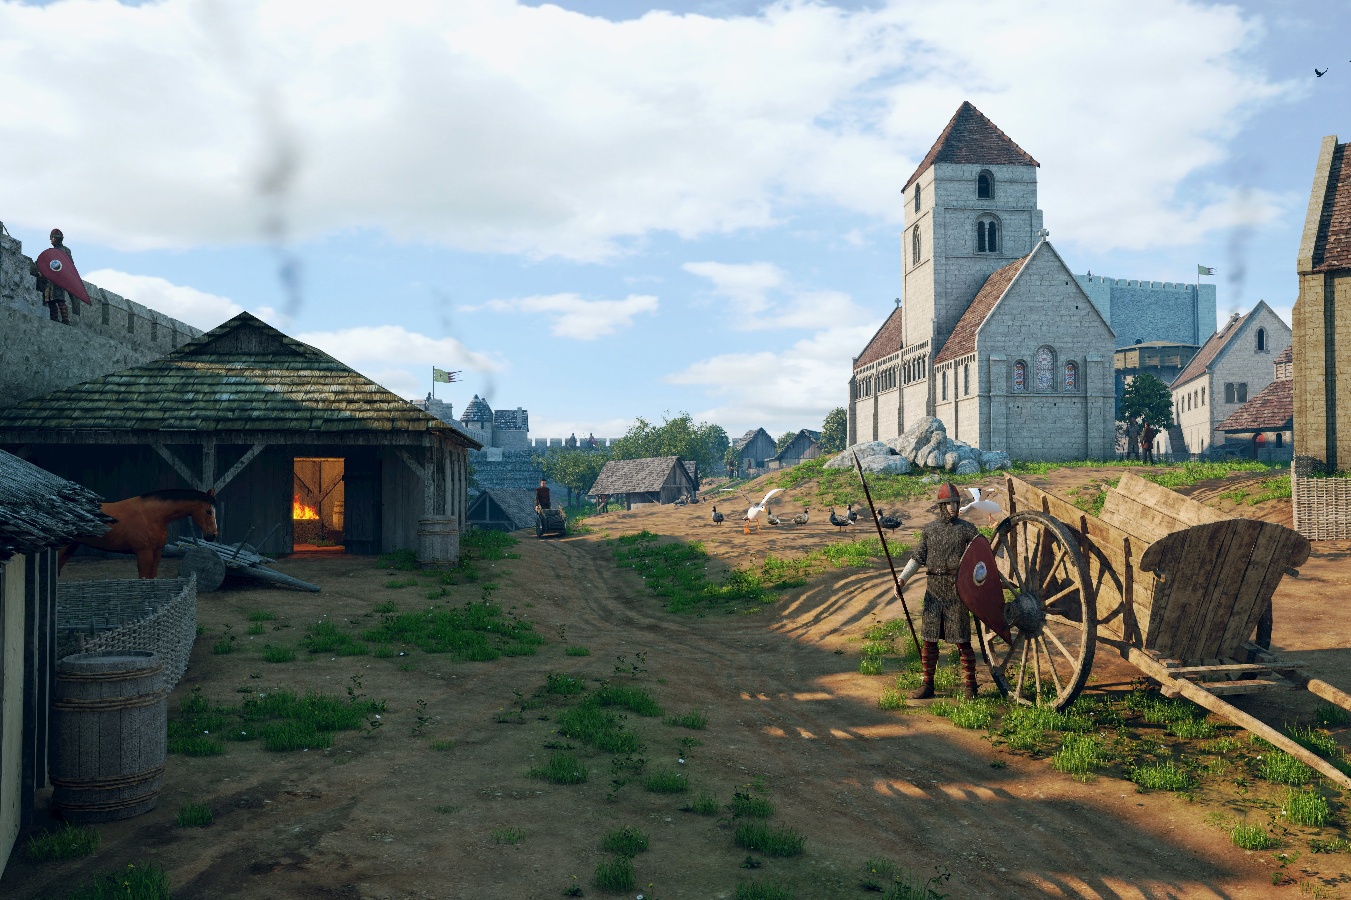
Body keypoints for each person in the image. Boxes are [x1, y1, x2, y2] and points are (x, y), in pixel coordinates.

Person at [895, 483, 981, 700]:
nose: (952, 507)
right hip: (934, 590)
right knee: (929, 640)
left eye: (955, 503)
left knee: (963, 640)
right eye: (948, 504)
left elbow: (981, 559)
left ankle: (971, 686)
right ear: (941, 506)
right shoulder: (930, 530)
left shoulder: (967, 530)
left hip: (956, 591)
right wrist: (903, 579)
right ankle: (927, 684)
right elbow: (917, 558)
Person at [30, 228, 73, 325]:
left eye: (52, 238)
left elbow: (69, 265)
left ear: (57, 238)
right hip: (50, 280)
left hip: (59, 279)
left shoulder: (65, 251)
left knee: (60, 299)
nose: (51, 240)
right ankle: (54, 319)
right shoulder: (50, 252)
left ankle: (66, 320)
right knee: (50, 300)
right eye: (51, 238)